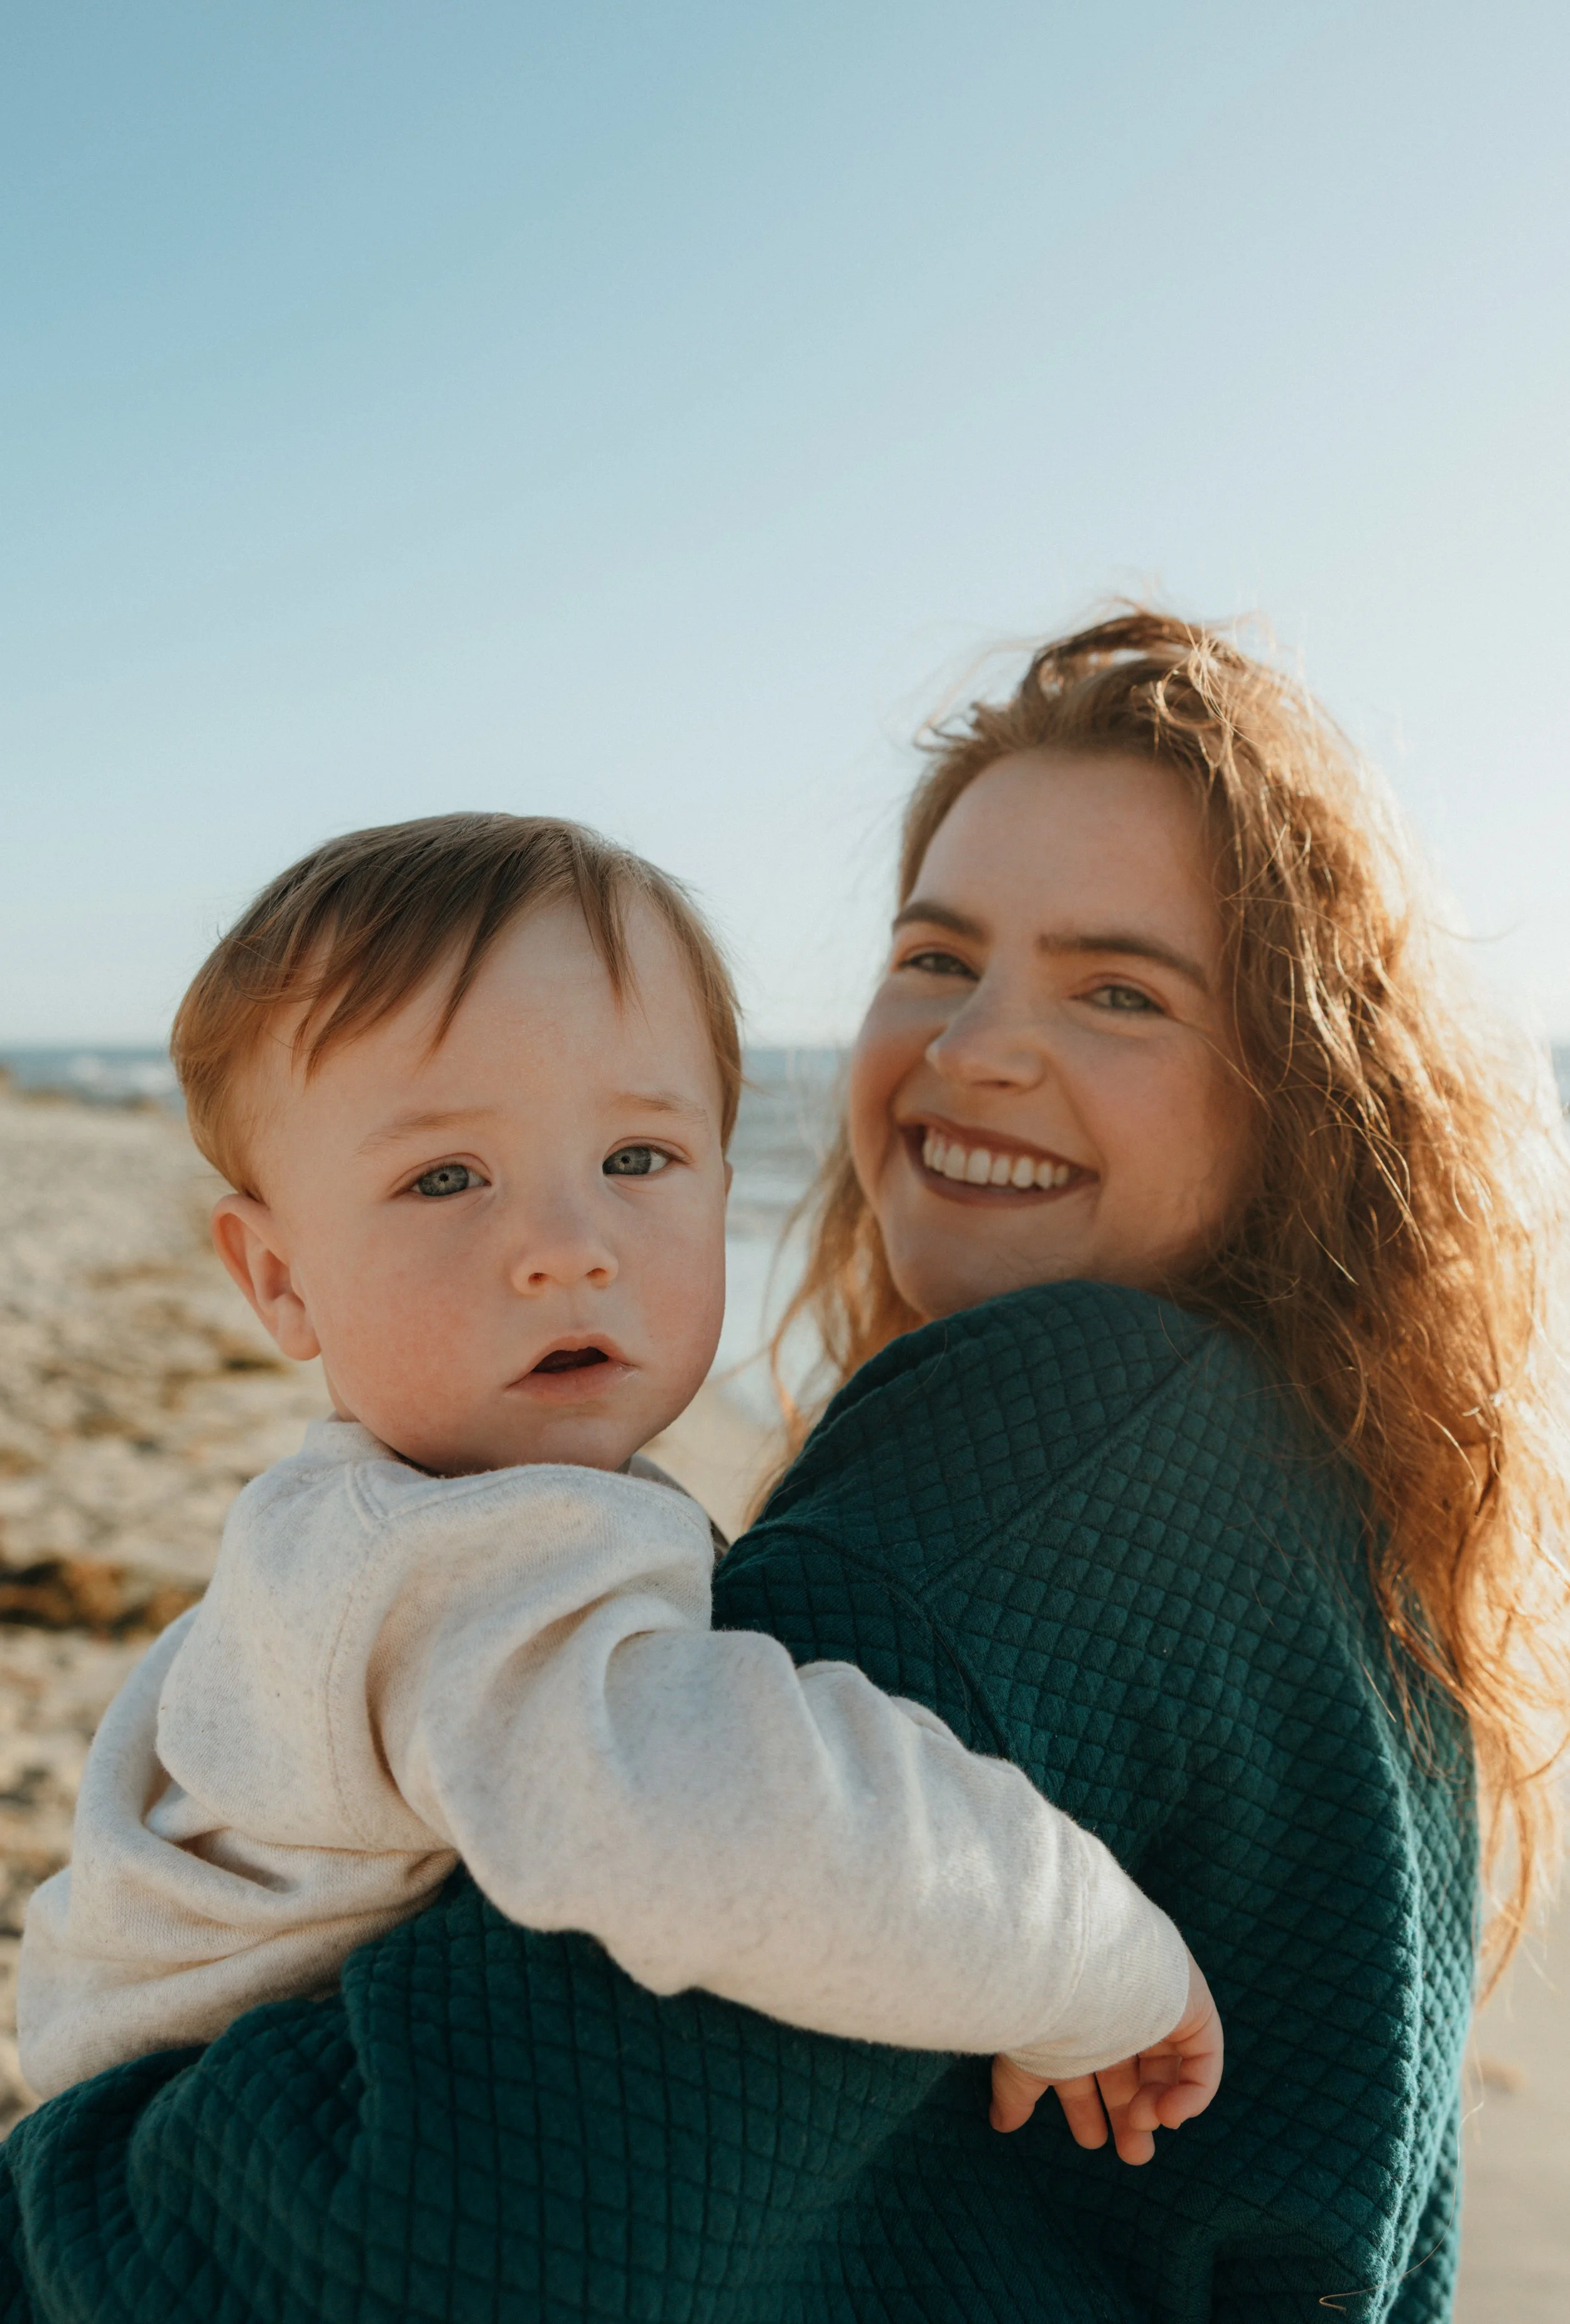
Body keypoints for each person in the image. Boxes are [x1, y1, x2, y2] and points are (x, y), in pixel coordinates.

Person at [4, 613, 1566, 2324]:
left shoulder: (1075, 1432)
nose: (974, 1048)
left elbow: (440, 2230)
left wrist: (49, 2200)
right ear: (274, 1269)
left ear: (1304, 1080)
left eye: (1118, 986)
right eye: (936, 954)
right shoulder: (1337, 1499)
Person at [16, 811, 1217, 2148]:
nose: (565, 1247)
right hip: (198, 2187)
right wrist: (1092, 1955)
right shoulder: (438, 1564)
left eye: (635, 1159)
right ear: (279, 1277)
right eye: (444, 1178)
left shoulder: (395, 1524)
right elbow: (732, 1824)